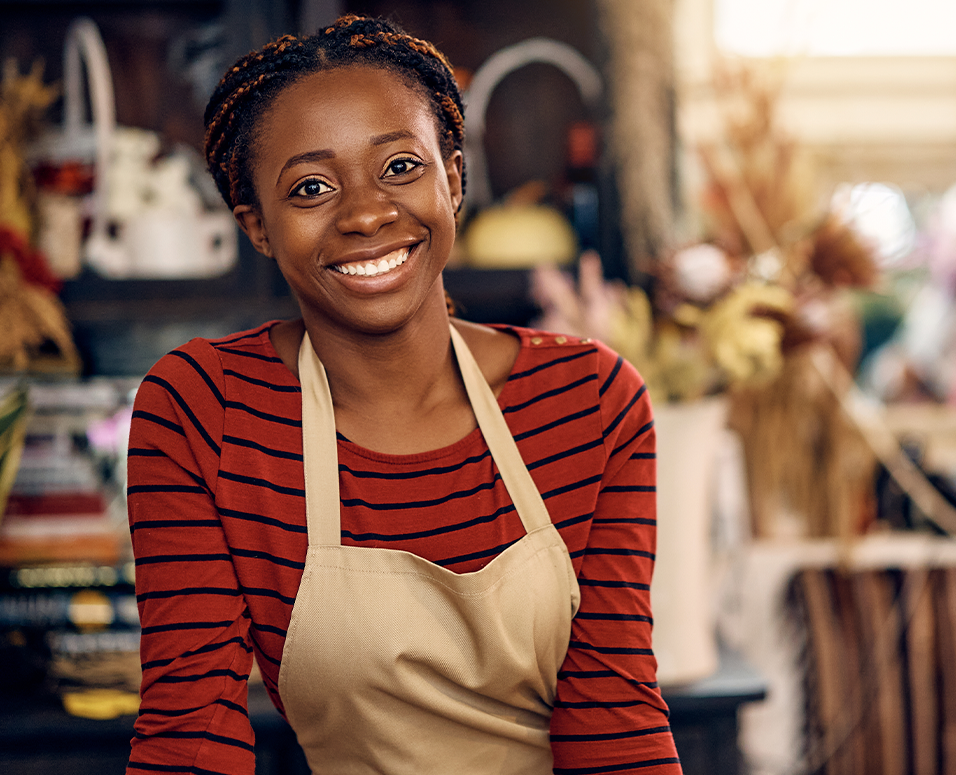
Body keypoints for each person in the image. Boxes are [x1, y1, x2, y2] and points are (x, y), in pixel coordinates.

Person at [126, 15, 681, 775]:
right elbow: (190, 740)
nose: (365, 213)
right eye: (311, 187)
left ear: (454, 180)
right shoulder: (206, 411)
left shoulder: (588, 401)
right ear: (257, 226)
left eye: (399, 168)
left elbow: (615, 730)